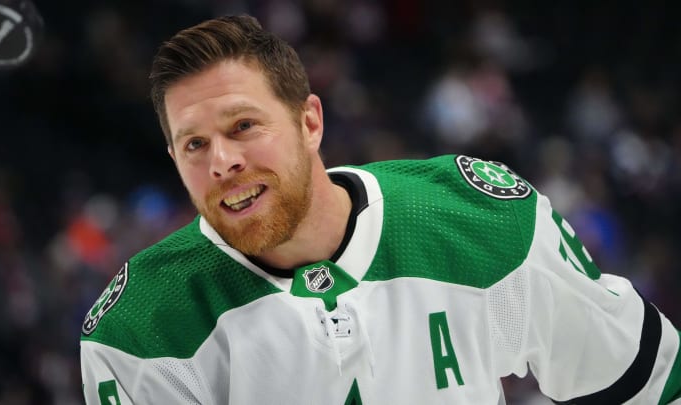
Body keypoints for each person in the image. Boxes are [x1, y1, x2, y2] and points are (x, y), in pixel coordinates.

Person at [79, 14, 681, 404]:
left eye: (243, 126)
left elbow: (646, 382)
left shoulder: (477, 218)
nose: (222, 161)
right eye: (194, 144)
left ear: (309, 120)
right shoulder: (138, 330)